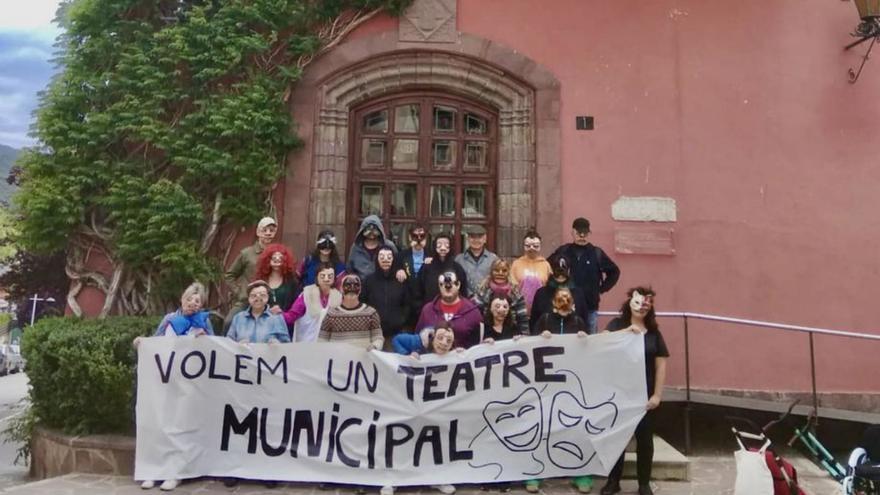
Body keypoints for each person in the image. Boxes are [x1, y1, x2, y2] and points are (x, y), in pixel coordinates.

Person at [138, 282, 211, 491]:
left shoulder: (204, 322)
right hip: (165, 381)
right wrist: (142, 343)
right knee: (161, 425)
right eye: (190, 299)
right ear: (182, 299)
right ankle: (153, 471)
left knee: (181, 428)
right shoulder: (169, 320)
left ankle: (174, 472)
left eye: (197, 301)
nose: (193, 304)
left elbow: (214, 349)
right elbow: (156, 341)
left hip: (189, 386)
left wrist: (205, 339)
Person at [600, 287, 669, 495]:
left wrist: (657, 395)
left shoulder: (655, 334)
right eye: (638, 302)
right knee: (616, 441)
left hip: (644, 398)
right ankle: (613, 481)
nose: (641, 307)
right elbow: (601, 343)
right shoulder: (616, 325)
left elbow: (661, 366)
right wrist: (626, 332)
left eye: (646, 304)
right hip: (619, 396)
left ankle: (643, 483)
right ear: (630, 302)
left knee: (645, 442)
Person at [382, 322, 458, 495]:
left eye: (449, 340)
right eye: (440, 338)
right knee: (401, 440)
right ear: (432, 338)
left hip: (433, 406)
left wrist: (461, 356)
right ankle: (391, 480)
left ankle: (437, 478)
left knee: (435, 442)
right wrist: (407, 355)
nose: (444, 343)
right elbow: (397, 340)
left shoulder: (452, 355)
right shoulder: (418, 342)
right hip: (407, 403)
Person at [525, 304, 589, 495]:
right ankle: (534, 472)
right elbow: (529, 346)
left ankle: (582, 473)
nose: (564, 303)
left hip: (571, 383)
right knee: (541, 426)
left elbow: (589, 351)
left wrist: (585, 340)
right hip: (545, 384)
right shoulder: (544, 319)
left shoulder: (579, 322)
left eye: (567, 299)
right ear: (553, 302)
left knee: (575, 427)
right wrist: (539, 338)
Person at [552, 217, 620, 333]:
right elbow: (548, 267)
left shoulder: (596, 253)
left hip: (590, 306)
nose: (582, 236)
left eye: (585, 233)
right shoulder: (564, 251)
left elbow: (614, 272)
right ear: (572, 232)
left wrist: (601, 289)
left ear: (589, 233)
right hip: (566, 306)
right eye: (579, 233)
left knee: (590, 341)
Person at [224, 216, 278, 332]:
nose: (268, 233)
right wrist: (239, 292)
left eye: (271, 230)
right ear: (258, 232)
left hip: (267, 301)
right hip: (246, 300)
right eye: (265, 230)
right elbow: (229, 275)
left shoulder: (277, 255)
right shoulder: (246, 253)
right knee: (229, 322)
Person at [415, 270, 482, 349]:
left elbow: (479, 345)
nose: (447, 288)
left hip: (462, 358)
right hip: (433, 358)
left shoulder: (473, 312)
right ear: (439, 286)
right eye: (443, 285)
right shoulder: (428, 310)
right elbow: (417, 339)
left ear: (458, 285)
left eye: (451, 285)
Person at [319, 274, 384, 350]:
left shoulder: (371, 313)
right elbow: (322, 340)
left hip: (363, 359)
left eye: (356, 285)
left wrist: (375, 346)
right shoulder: (331, 314)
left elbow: (378, 337)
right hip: (337, 359)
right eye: (348, 285)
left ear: (360, 290)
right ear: (341, 289)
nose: (352, 288)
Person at [529, 254, 590, 333]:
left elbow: (584, 322)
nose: (560, 275)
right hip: (546, 340)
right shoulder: (541, 294)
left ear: (568, 271)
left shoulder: (578, 294)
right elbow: (534, 321)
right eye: (558, 271)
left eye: (563, 271)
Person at [361, 247, 409, 347]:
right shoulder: (369, 281)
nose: (385, 260)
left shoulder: (400, 280)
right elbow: (363, 303)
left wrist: (401, 320)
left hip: (396, 334)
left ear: (393, 259)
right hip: (373, 334)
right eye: (382, 257)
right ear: (377, 260)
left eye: (389, 257)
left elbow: (407, 304)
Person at [283, 263, 342, 342]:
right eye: (322, 276)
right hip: (307, 342)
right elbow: (292, 315)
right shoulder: (307, 294)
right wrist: (278, 316)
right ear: (317, 277)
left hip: (329, 345)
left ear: (334, 278)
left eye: (330, 276)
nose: (326, 279)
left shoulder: (339, 296)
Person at [254, 244, 301, 337]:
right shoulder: (260, 280)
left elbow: (296, 304)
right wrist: (266, 311)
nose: (277, 261)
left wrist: (284, 314)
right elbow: (253, 301)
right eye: (273, 258)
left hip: (285, 325)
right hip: (262, 324)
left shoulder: (292, 281)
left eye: (280, 259)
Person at [472, 258, 529, 335]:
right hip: (487, 334)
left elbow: (523, 319)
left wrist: (524, 336)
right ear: (491, 272)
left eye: (504, 271)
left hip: (512, 334)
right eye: (496, 270)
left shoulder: (516, 292)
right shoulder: (482, 291)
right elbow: (476, 316)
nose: (500, 273)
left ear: (508, 272)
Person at [226, 280, 291, 345]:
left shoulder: (276, 318)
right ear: (248, 298)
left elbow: (287, 344)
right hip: (243, 355)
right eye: (253, 296)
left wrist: (277, 344)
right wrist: (237, 345)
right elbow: (228, 343)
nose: (258, 298)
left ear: (267, 297)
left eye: (262, 295)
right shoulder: (238, 318)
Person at [396, 224, 433, 327]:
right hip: (406, 305)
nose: (418, 239)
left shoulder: (432, 255)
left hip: (425, 304)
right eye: (414, 236)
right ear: (409, 237)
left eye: (422, 236)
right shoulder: (401, 256)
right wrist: (398, 270)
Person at [418, 233, 469, 304]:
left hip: (453, 308)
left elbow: (463, 291)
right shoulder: (427, 267)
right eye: (439, 244)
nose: (442, 248)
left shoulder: (457, 268)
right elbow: (418, 290)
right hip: (430, 309)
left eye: (446, 244)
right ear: (434, 246)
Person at [510, 230, 552, 312]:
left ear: (540, 246)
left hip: (541, 309)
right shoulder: (516, 264)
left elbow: (550, 288)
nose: (531, 249)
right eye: (528, 246)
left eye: (535, 246)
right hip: (520, 309)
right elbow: (512, 288)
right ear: (523, 246)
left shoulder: (546, 265)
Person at [348, 215, 397, 280]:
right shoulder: (356, 247)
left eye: (375, 229)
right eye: (368, 229)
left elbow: (397, 264)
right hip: (362, 285)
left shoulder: (389, 245)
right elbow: (350, 268)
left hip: (384, 284)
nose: (371, 232)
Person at [454, 225, 497, 296]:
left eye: (479, 237)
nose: (476, 240)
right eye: (473, 237)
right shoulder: (459, 259)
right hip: (465, 301)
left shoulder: (493, 259)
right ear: (468, 239)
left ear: (485, 239)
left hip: (487, 301)